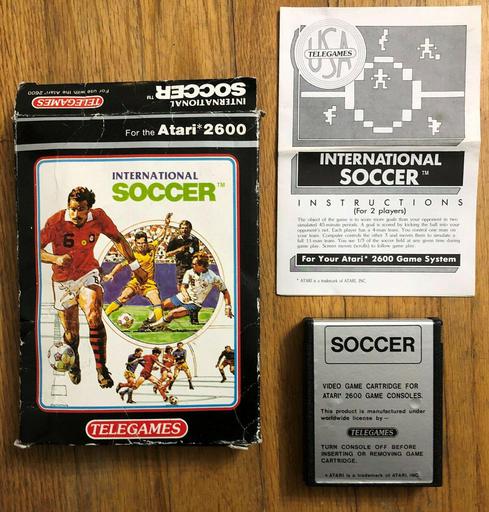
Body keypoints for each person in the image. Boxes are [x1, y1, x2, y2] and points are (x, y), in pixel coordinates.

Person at [40, 186, 146, 388]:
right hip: (62, 281)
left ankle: (101, 368)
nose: (75, 214)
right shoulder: (56, 221)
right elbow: (35, 247)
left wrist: (135, 266)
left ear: (88, 209)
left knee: (94, 316)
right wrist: (55, 258)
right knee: (71, 334)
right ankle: (74, 360)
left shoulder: (98, 218)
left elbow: (118, 238)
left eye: (81, 209)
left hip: (87, 274)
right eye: (72, 209)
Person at [104, 213, 172, 324]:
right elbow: (120, 265)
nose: (142, 245)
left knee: (157, 301)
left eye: (143, 243)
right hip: (135, 282)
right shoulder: (133, 255)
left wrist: (166, 225)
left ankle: (159, 325)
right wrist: (111, 274)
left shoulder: (151, 248)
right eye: (139, 243)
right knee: (123, 297)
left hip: (149, 283)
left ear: (146, 242)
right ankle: (104, 316)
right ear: (135, 243)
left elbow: (160, 238)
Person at [147, 252, 233, 331]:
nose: (192, 265)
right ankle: (149, 321)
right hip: (183, 297)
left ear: (202, 265)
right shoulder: (189, 272)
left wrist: (228, 307)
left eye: (194, 264)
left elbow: (225, 292)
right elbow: (183, 287)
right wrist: (185, 294)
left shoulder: (213, 277)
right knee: (162, 305)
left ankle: (152, 327)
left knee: (172, 314)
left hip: (195, 303)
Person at [165, 220, 200, 323]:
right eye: (182, 228)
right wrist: (178, 250)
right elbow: (167, 254)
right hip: (181, 268)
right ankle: (180, 312)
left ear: (190, 229)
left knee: (194, 290)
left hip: (193, 268)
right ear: (180, 229)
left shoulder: (194, 240)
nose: (184, 230)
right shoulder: (175, 240)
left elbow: (197, 254)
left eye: (186, 228)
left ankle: (194, 317)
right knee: (182, 291)